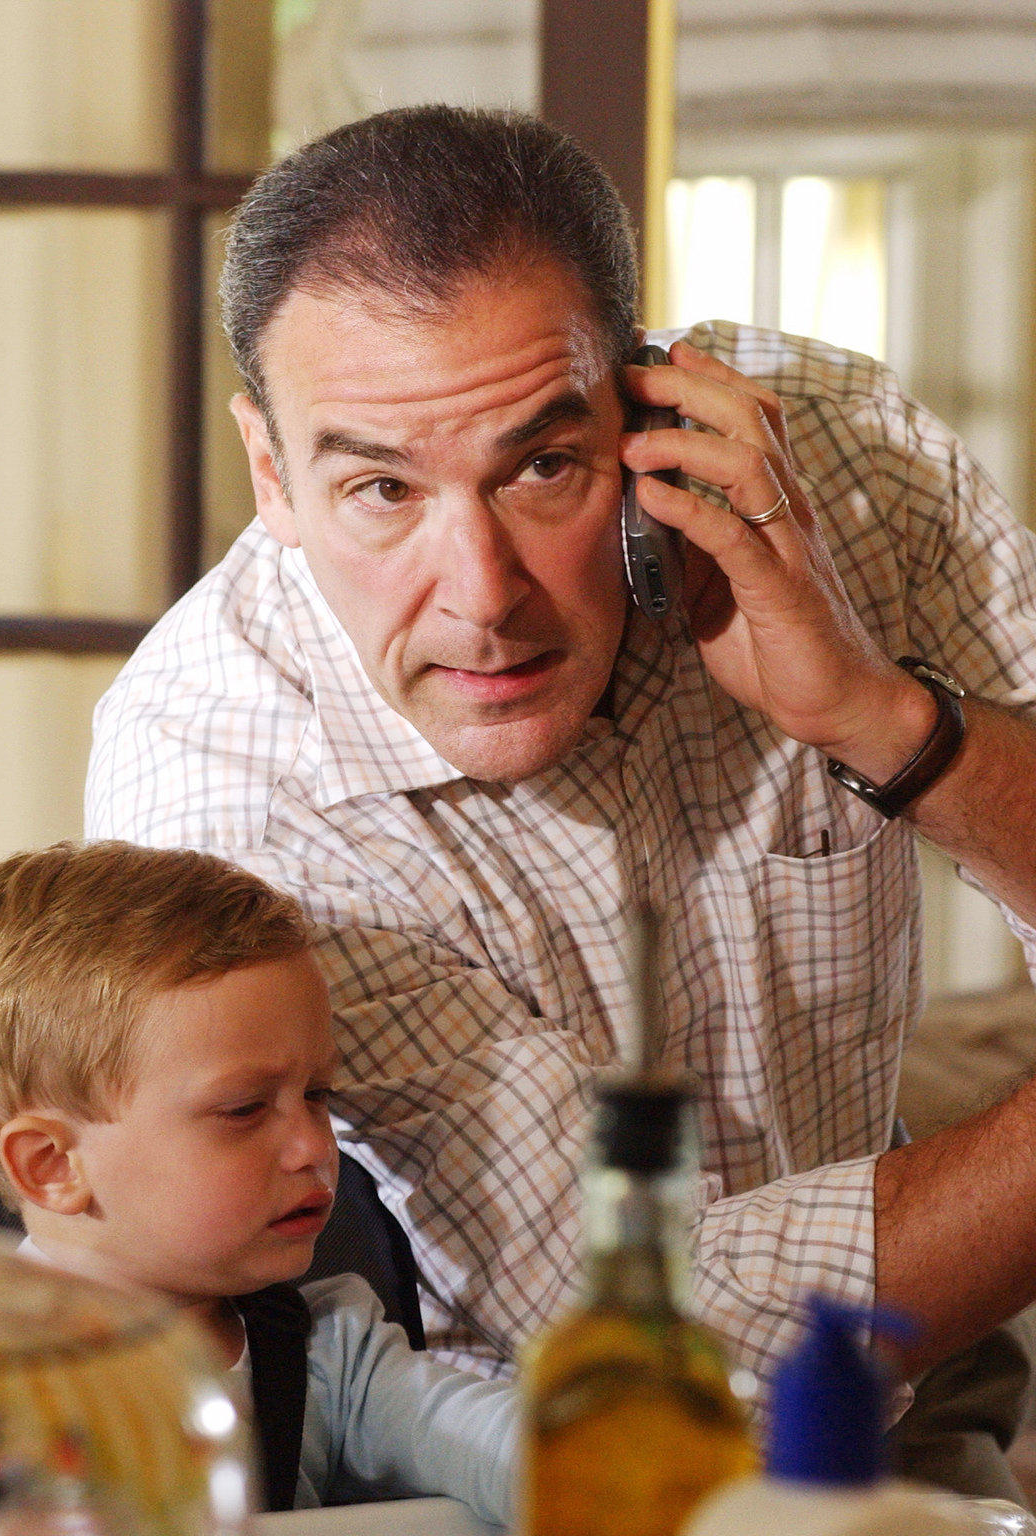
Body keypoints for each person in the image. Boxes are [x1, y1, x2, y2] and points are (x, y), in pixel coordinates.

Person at [85, 104, 1036, 1475]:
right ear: (272, 473)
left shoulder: (834, 464)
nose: (481, 599)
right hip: (533, 1453)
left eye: (541, 467)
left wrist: (882, 719)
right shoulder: (229, 805)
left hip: (929, 1363)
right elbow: (656, 1327)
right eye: (382, 490)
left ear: (641, 409)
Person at [0, 839, 516, 1521]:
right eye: (244, 1109)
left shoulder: (327, 1356)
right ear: (52, 1166)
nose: (313, 1147)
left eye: (317, 1094)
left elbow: (519, 1450)